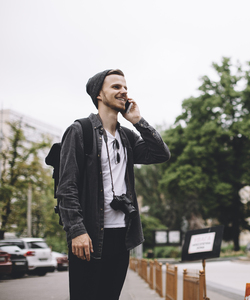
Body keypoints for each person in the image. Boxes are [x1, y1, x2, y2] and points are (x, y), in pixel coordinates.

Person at [56, 69, 170, 300]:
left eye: (125, 87)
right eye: (116, 87)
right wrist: (77, 230)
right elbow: (66, 187)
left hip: (121, 235)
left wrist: (138, 121)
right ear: (99, 94)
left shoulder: (127, 137)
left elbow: (160, 154)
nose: (124, 91)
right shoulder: (80, 131)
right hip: (88, 237)